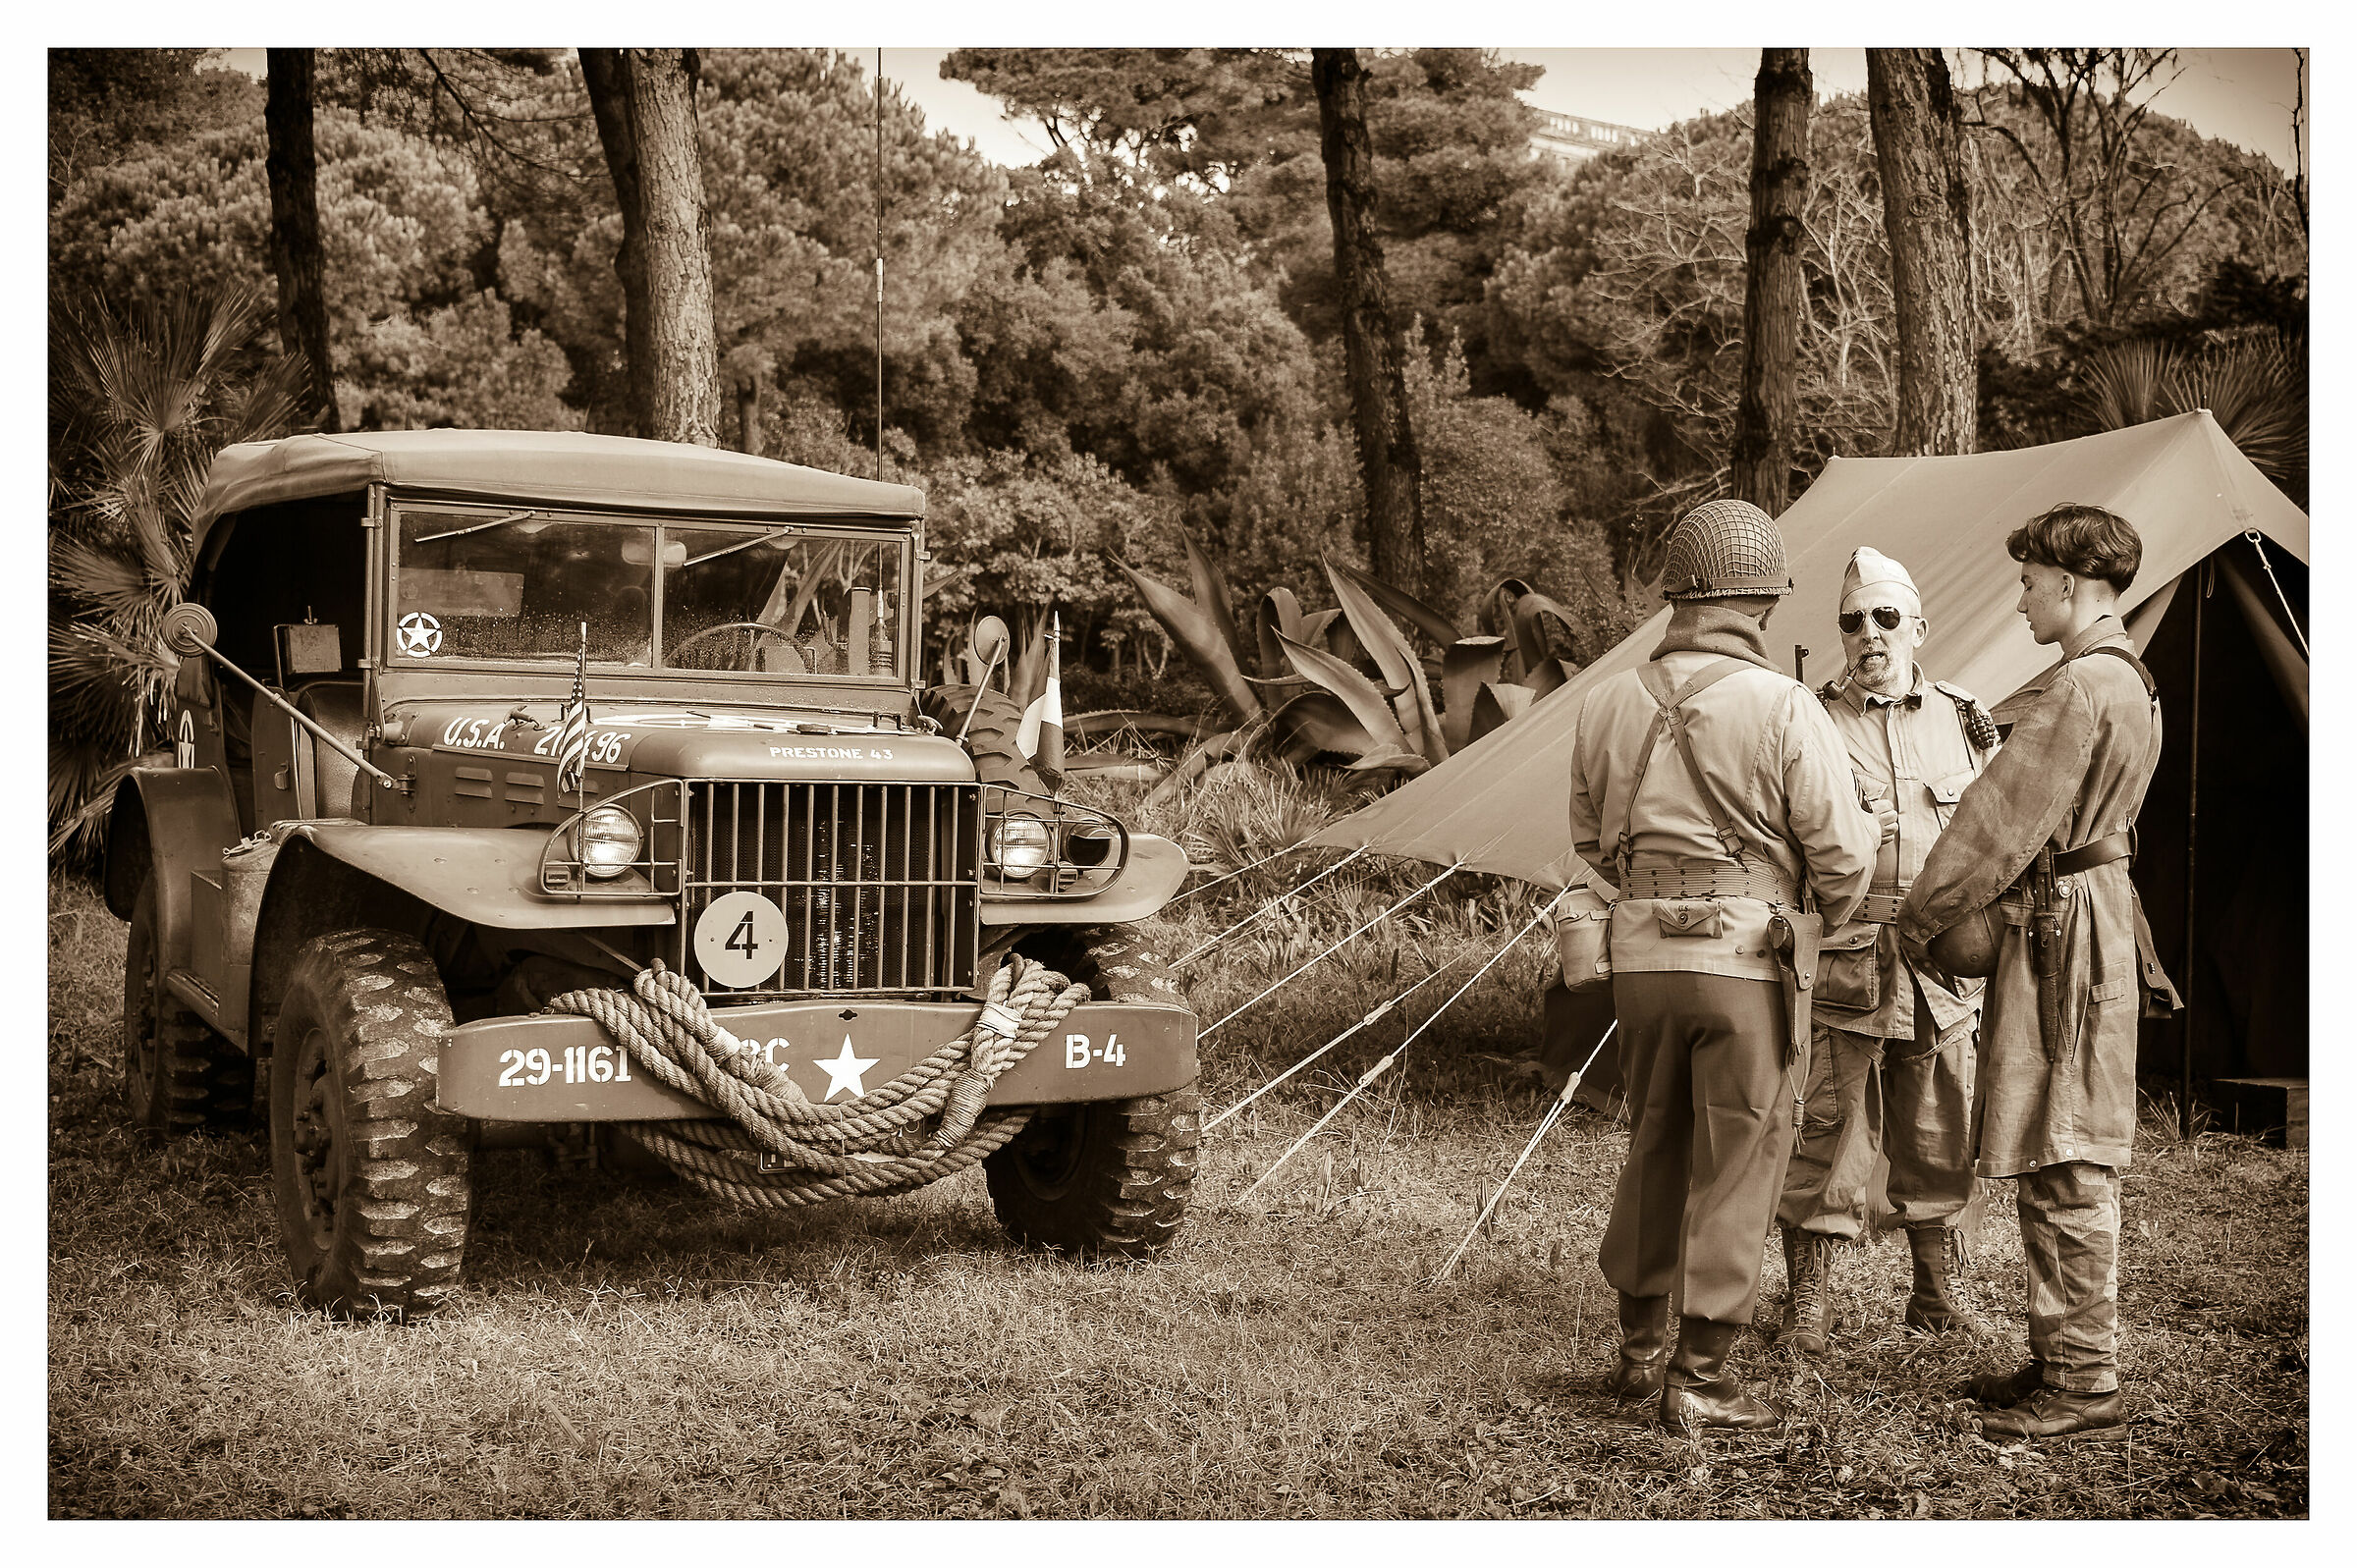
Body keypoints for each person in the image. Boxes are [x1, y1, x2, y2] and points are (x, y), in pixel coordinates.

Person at [1566, 499, 1878, 1433]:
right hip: (1746, 962)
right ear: (1764, 600)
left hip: (1639, 961)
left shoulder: (1609, 699)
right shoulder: (1783, 703)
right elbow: (1847, 856)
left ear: (1678, 595)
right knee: (1741, 1158)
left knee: (1654, 1137)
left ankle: (1637, 1353)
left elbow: (1590, 837)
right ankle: (1701, 1376)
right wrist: (1807, 914)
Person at [1898, 504, 2165, 1441]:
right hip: (2083, 919)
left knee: (2071, 1150)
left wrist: (1918, 916)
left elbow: (1993, 821)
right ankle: (2062, 1353)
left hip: (2070, 930)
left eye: (2029, 581)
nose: (2020, 597)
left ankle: (2086, 1380)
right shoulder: (2132, 679)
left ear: (2071, 581)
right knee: (2063, 1140)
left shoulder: (2084, 687)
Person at [1774, 548, 1995, 1357]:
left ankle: (1935, 1295)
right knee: (1828, 1133)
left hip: (1940, 964)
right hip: (1846, 960)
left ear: (1918, 627)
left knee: (1939, 1128)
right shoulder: (1810, 718)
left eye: (1885, 617)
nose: (1869, 633)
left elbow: (1994, 837)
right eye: (1853, 620)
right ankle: (1809, 1308)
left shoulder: (1968, 718)